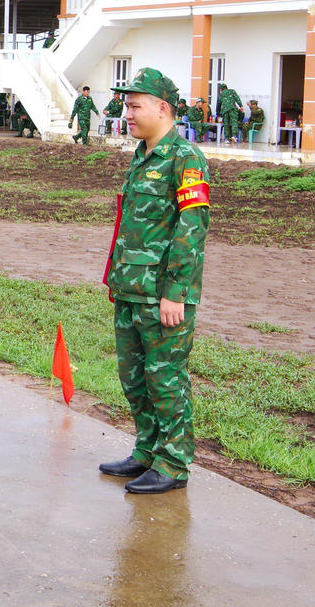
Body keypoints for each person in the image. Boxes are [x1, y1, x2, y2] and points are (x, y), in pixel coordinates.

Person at [100, 68, 209, 495]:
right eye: (127, 106)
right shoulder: (142, 154)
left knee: (165, 380)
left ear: (162, 108)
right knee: (134, 378)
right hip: (131, 289)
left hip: (163, 295)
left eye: (134, 106)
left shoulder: (185, 157)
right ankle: (146, 450)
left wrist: (175, 292)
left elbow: (192, 228)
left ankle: (174, 463)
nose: (127, 113)